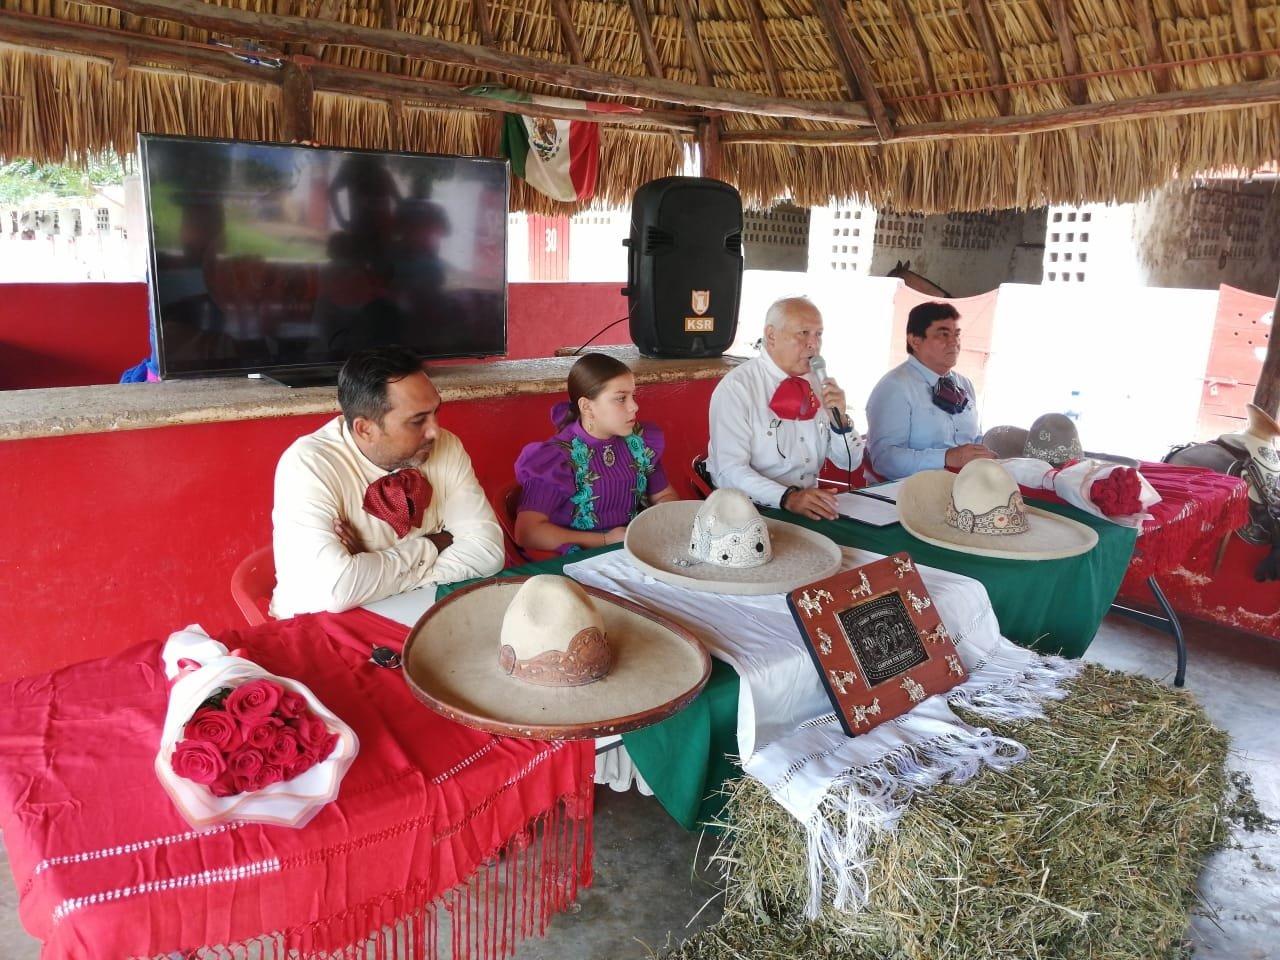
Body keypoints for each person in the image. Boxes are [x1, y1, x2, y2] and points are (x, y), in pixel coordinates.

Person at [270, 345, 504, 618]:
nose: (436, 431)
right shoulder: (309, 464)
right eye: (417, 421)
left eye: (435, 412)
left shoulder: (446, 447)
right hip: (316, 625)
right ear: (365, 429)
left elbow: (488, 552)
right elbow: (335, 589)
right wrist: (434, 544)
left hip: (416, 610)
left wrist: (372, 568)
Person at [706, 297, 862, 521]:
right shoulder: (737, 388)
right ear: (771, 336)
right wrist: (788, 498)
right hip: (750, 513)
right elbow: (729, 471)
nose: (813, 344)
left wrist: (841, 421)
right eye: (803, 333)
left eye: (819, 334)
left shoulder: (818, 384)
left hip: (810, 508)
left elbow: (849, 462)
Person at [514, 352, 678, 553]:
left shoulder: (639, 444)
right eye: (620, 399)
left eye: (633, 396)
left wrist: (655, 524)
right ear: (586, 406)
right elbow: (528, 532)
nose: (634, 406)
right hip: (576, 561)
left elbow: (664, 495)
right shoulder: (558, 458)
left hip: (631, 551)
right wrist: (605, 540)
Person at [865, 301, 996, 481]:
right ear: (915, 341)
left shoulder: (965, 384)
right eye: (943, 334)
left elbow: (971, 439)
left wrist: (989, 447)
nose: (954, 342)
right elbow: (884, 460)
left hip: (967, 486)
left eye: (956, 334)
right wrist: (947, 457)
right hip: (908, 494)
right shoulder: (895, 387)